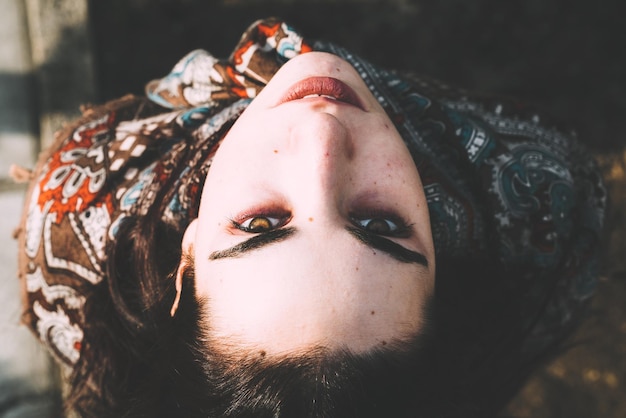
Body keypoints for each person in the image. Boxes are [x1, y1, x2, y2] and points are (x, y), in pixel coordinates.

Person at [14, 17, 606, 417]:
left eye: (262, 225)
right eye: (380, 225)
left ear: (187, 258)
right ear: (444, 268)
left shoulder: (76, 217)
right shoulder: (540, 207)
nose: (322, 137)